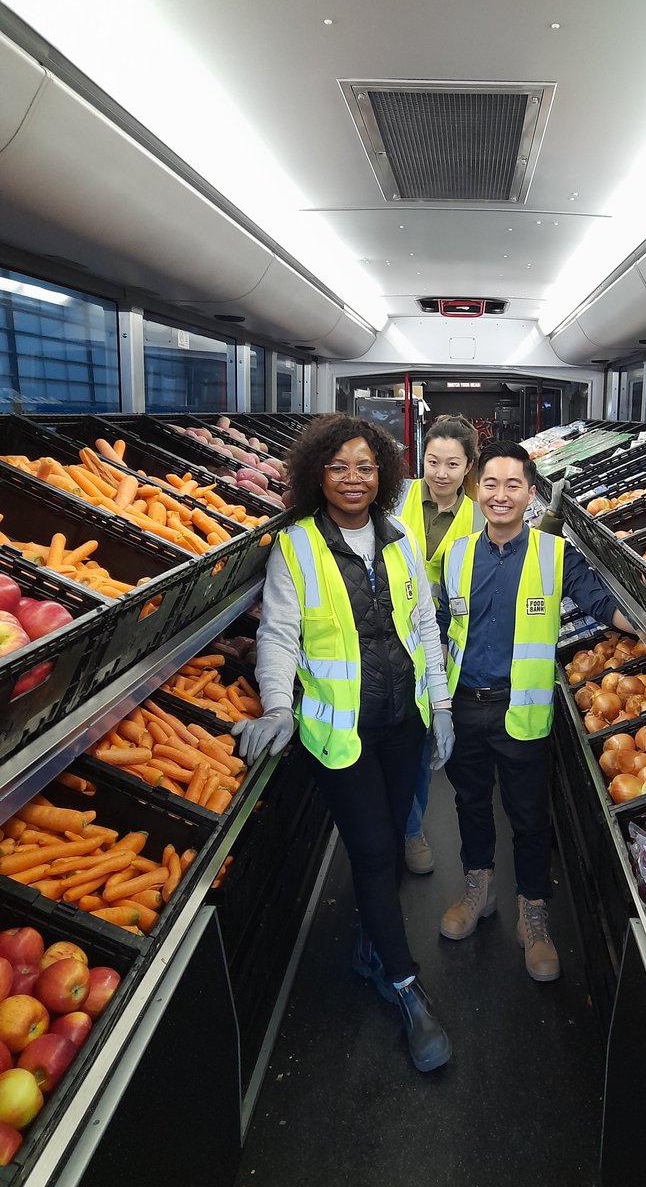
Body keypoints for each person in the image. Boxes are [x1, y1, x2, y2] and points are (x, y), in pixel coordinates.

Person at [233, 414, 453, 1073]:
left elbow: (424, 624)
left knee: (390, 843)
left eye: (365, 466)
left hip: (403, 721)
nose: (353, 479)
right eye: (338, 467)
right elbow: (278, 634)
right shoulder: (296, 546)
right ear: (317, 475)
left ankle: (370, 951)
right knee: (375, 849)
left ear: (381, 473)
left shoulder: (400, 540)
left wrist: (440, 705)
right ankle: (407, 989)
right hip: (340, 733)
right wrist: (278, 705)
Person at [436, 440, 634, 982]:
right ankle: (478, 889)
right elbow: (440, 624)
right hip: (464, 704)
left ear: (529, 493)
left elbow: (600, 602)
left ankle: (534, 912)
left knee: (528, 816)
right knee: (470, 804)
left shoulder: (555, 554)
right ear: (477, 490)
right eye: (490, 484)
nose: (500, 495)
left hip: (520, 711)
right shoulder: (456, 555)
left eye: (513, 485)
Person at [396, 415, 484, 874]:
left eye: (453, 464)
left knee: (422, 730)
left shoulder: (478, 515)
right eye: (433, 461)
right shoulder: (397, 495)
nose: (441, 473)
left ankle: (411, 829)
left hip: (444, 635)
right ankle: (394, 824)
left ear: (468, 466)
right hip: (390, 624)